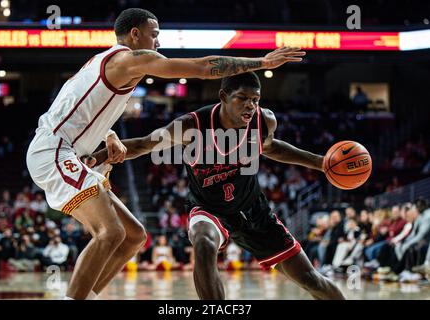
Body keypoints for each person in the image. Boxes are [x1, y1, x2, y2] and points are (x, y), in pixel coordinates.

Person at [25, 8, 304, 300]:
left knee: (133, 237)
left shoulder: (103, 62)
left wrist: (107, 133)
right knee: (109, 233)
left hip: (66, 148)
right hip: (55, 152)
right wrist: (262, 61)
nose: (158, 43)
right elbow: (202, 67)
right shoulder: (130, 58)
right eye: (154, 35)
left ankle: (87, 296)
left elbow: (76, 106)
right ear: (135, 34)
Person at [88, 72, 344, 300]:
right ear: (223, 96)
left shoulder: (263, 121)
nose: (250, 106)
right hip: (209, 209)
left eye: (255, 99)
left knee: (312, 281)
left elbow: (271, 148)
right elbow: (144, 144)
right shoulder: (191, 126)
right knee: (203, 243)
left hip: (254, 211)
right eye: (242, 98)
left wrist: (321, 163)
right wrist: (96, 157)